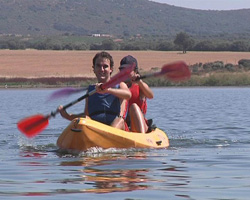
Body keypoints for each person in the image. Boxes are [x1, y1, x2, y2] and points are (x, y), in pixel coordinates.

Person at [59, 51, 131, 130]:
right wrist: (67, 116)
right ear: (94, 69)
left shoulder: (120, 85)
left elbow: (128, 95)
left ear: (111, 69)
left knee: (119, 120)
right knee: (85, 118)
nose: (102, 69)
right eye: (98, 66)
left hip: (115, 126)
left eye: (105, 66)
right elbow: (87, 115)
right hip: (96, 129)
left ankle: (107, 137)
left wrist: (108, 90)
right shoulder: (91, 90)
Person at [119, 55, 154, 133]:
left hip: (139, 125)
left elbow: (150, 95)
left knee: (134, 107)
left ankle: (141, 138)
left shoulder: (140, 86)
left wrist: (139, 82)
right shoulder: (118, 86)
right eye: (123, 70)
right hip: (123, 124)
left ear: (135, 71)